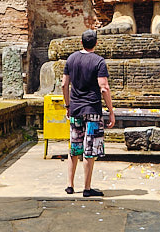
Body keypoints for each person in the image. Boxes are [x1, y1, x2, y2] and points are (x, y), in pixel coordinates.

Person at [62, 28, 115, 196]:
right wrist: (111, 111)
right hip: (92, 109)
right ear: (96, 43)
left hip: (76, 109)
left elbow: (64, 85)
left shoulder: (71, 59)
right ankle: (86, 188)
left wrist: (67, 105)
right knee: (89, 150)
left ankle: (70, 186)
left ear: (81, 42)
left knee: (74, 148)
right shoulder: (99, 61)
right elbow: (104, 88)